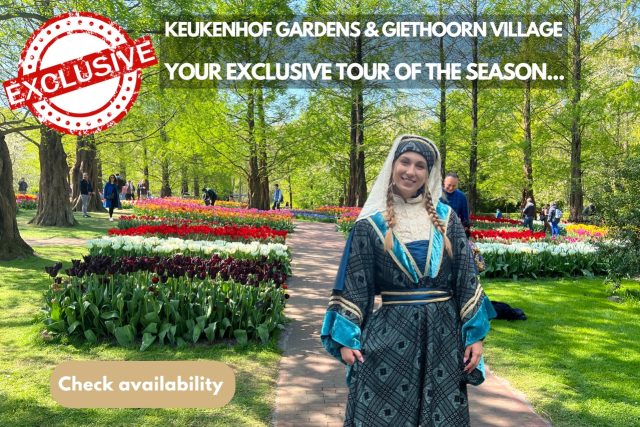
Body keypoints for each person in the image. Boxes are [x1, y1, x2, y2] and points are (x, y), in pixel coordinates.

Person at [320, 135, 496, 426]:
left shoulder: (447, 218)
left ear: (429, 174)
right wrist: (345, 340)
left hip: (444, 340)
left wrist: (475, 335)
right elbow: (354, 283)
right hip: (390, 339)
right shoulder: (370, 224)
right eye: (405, 162)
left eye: (420, 166)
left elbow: (466, 277)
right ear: (393, 165)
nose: (410, 171)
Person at [441, 172, 470, 236]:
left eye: (454, 186)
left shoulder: (461, 196)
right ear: (444, 182)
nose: (451, 188)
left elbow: (465, 219)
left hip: (454, 232)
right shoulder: (437, 194)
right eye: (449, 185)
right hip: (438, 230)